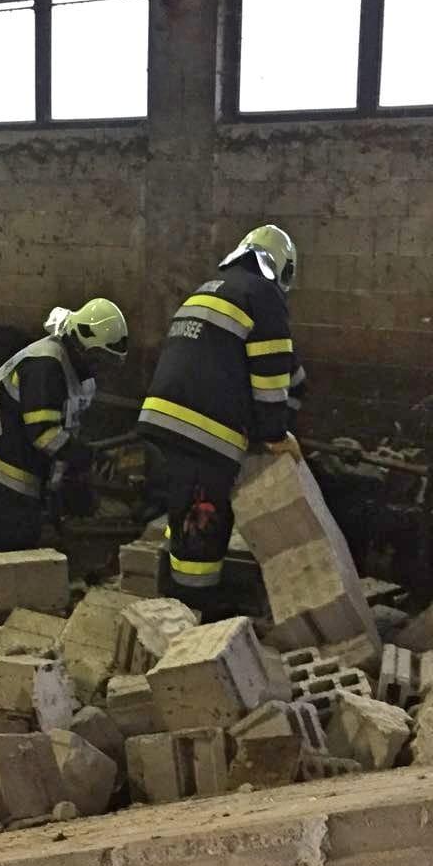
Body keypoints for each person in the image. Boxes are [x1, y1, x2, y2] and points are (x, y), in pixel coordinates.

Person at [138, 224, 306, 610]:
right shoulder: (264, 294)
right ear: (283, 268)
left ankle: (174, 592)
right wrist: (275, 434)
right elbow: (270, 372)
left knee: (183, 511)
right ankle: (195, 606)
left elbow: (278, 366)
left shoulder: (210, 288)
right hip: (203, 429)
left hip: (163, 419)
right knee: (205, 521)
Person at [0, 298, 130, 551]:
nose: (101, 368)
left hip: (18, 454)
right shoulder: (45, 364)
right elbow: (45, 435)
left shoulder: (77, 373)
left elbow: (64, 430)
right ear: (82, 345)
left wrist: (64, 479)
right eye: (99, 359)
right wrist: (88, 457)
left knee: (26, 531)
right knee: (17, 538)